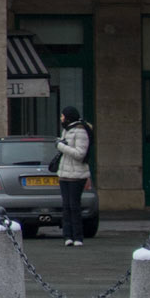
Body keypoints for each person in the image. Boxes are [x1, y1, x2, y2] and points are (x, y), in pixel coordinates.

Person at [56, 104, 93, 247]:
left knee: (74, 205)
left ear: (68, 117)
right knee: (66, 206)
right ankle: (67, 236)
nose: (61, 118)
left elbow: (80, 154)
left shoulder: (81, 131)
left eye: (62, 116)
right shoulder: (66, 130)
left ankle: (78, 236)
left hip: (77, 175)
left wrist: (61, 146)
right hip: (64, 174)